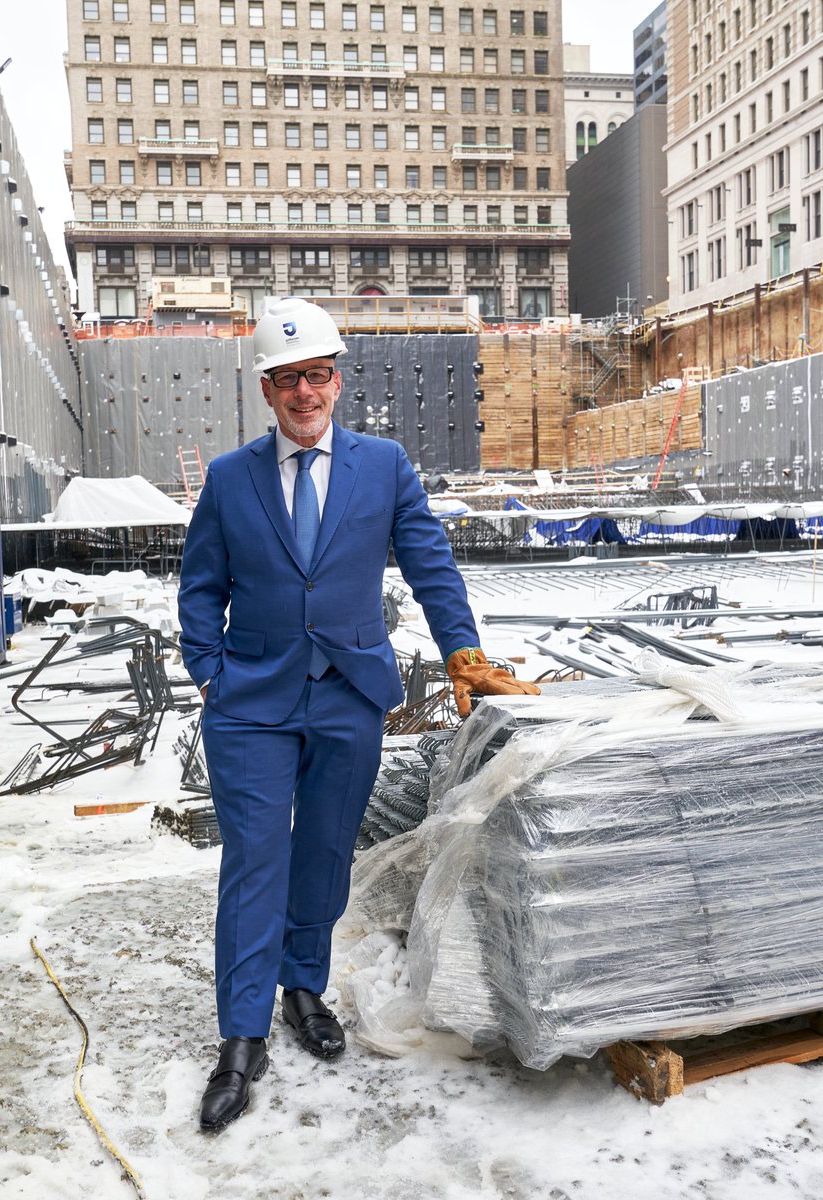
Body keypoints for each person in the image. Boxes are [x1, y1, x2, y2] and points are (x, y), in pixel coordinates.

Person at [178, 297, 538, 1132]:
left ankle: (303, 986)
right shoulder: (231, 479)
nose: (303, 392)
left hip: (348, 695)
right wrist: (209, 673)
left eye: (316, 375)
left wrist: (463, 651)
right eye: (286, 380)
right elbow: (199, 585)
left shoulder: (384, 467)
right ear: (267, 390)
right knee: (255, 861)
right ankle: (241, 1036)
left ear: (337, 381)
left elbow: (430, 563)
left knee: (326, 852)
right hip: (251, 703)